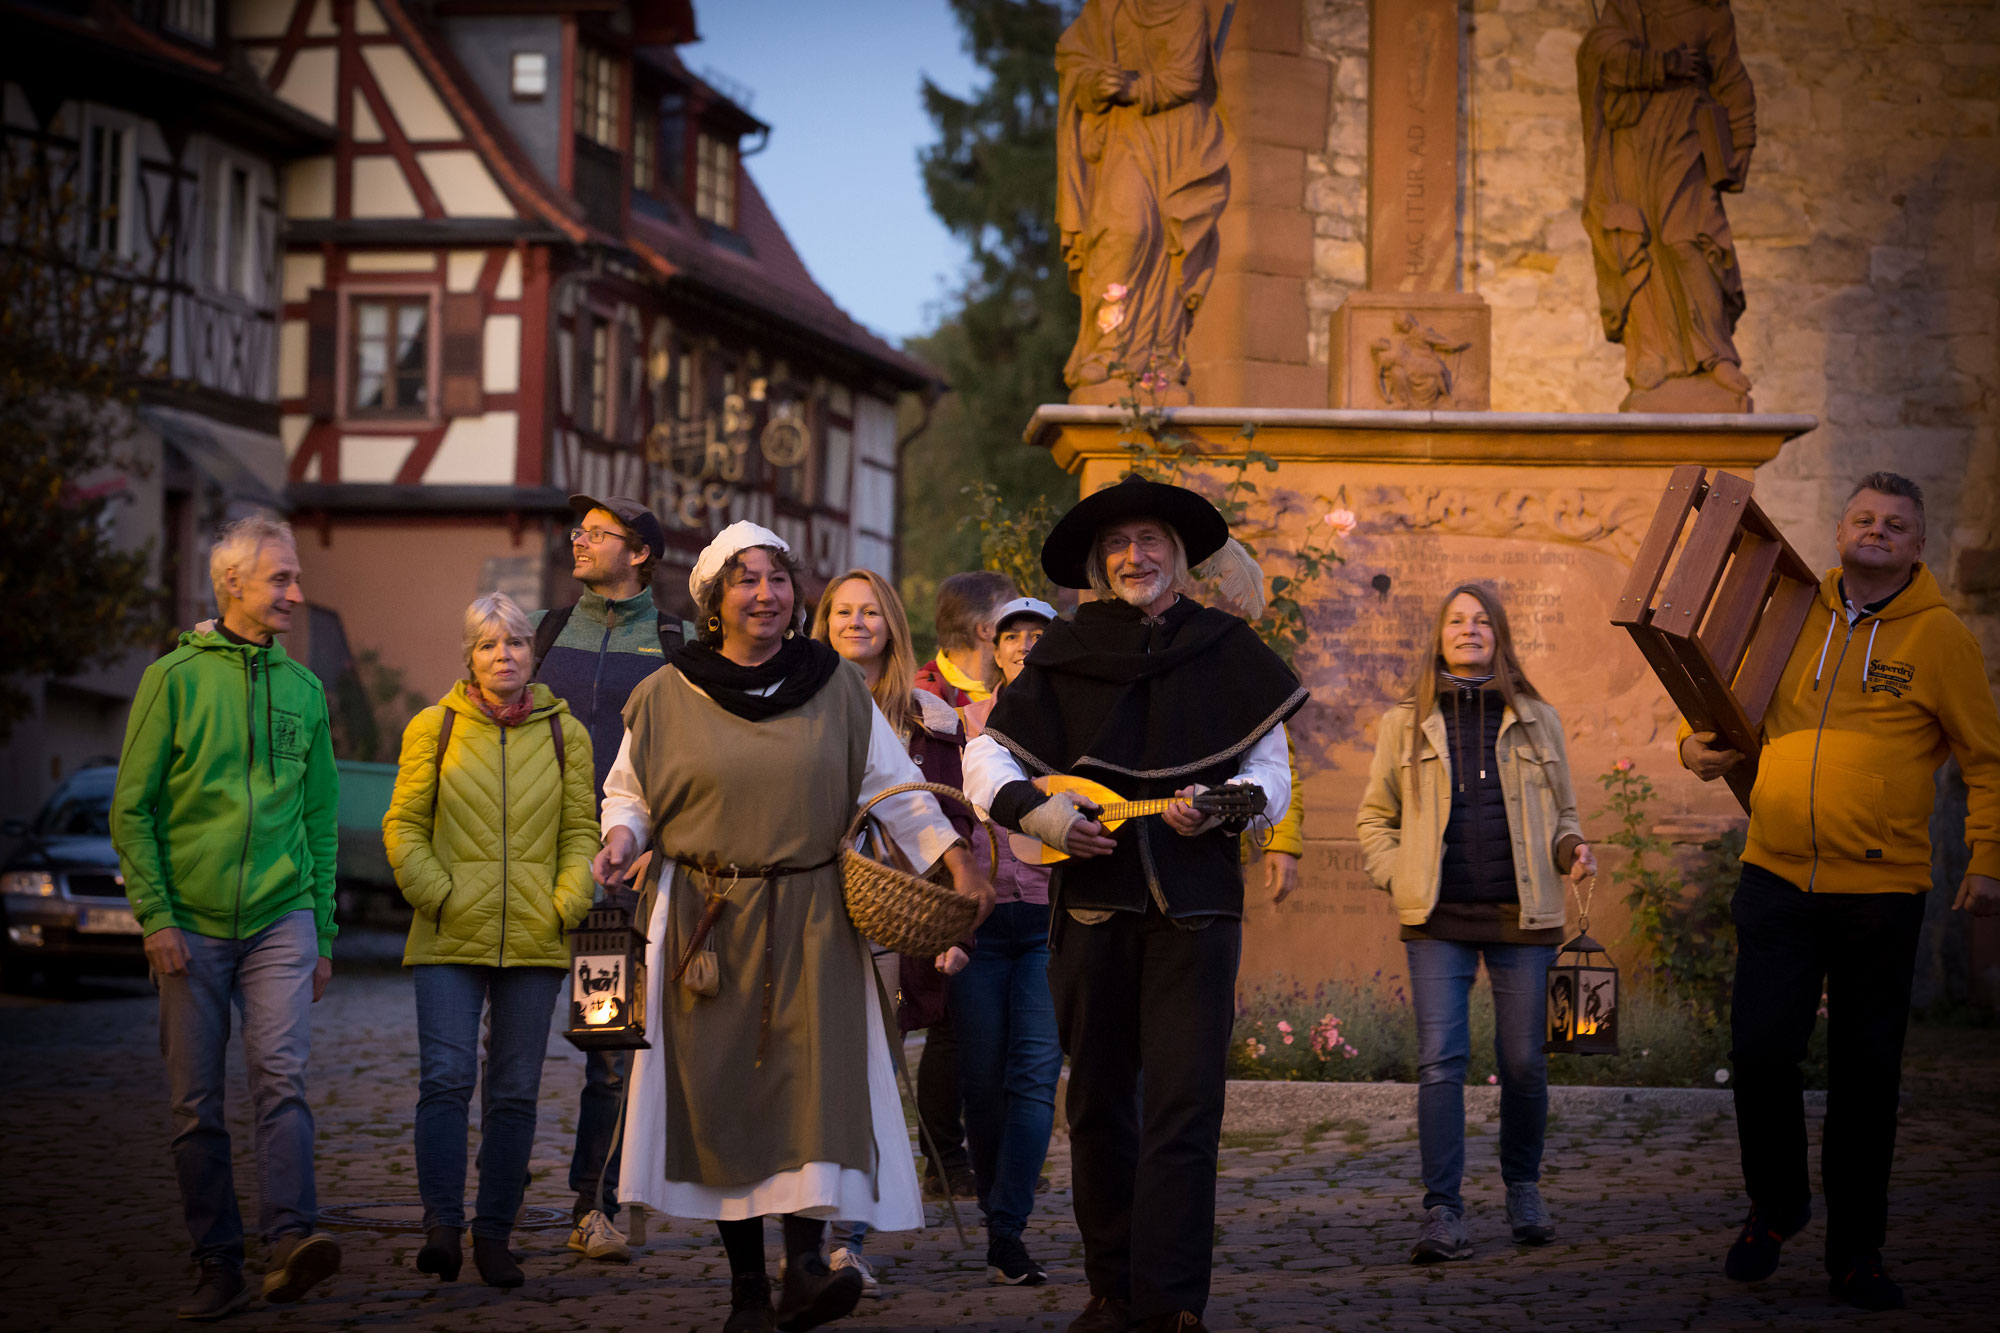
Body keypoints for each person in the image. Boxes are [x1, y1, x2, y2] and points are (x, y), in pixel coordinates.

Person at [598, 523, 995, 1333]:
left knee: (814, 1090)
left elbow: (895, 786)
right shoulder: (667, 693)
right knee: (725, 1099)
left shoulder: (835, 685)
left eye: (777, 577)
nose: (766, 593)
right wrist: (622, 838)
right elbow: (629, 794)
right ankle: (749, 1290)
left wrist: (958, 861)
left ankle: (806, 1266)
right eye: (746, 579)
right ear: (715, 600)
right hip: (706, 924)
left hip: (814, 916)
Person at [964, 476, 1306, 1333]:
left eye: (1150, 539)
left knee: (1186, 1107)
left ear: (1179, 555)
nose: (1133, 556)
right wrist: (1041, 813)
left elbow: (1270, 773)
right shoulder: (1065, 647)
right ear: (1098, 562)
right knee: (1098, 1105)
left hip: (1198, 910)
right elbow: (985, 762)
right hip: (1092, 909)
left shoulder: (1227, 646)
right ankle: (1112, 1290)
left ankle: (1171, 1302)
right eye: (1117, 544)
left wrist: (1224, 805)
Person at [1678, 472, 2000, 1311]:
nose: (1877, 530)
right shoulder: (1790, 612)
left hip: (1881, 890)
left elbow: (1987, 759)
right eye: (1864, 517)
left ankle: (1857, 1253)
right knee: (1760, 1052)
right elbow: (1722, 702)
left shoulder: (1942, 638)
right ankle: (1777, 1203)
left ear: (1918, 545)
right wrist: (1691, 746)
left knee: (1866, 1078)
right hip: (1775, 874)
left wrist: (1988, 858)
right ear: (1839, 531)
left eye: (1895, 523)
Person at [110, 516, 343, 1321]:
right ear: (232, 583)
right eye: (281, 578)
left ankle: (290, 1240)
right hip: (190, 923)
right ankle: (217, 1260)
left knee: (281, 1076)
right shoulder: (172, 679)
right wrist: (156, 916)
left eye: (296, 577)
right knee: (196, 1102)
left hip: (283, 917)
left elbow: (320, 821)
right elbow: (131, 809)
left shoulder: (305, 690)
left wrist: (323, 932)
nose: (296, 593)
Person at [1355, 584, 1597, 1264]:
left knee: (1524, 1061)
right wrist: (1401, 876)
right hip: (1437, 920)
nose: (1470, 630)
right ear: (1439, 637)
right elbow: (1374, 819)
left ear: (1500, 636)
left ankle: (1523, 1188)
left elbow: (1565, 815)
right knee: (1441, 1061)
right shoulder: (1405, 722)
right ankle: (1443, 1210)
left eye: (1483, 620)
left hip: (1526, 915)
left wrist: (1573, 850)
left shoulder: (1538, 718)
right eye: (1457, 621)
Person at [381, 592, 597, 1288]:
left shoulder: (567, 735)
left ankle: (495, 1234)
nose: (503, 655)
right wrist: (441, 896)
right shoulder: (433, 727)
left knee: (514, 1093)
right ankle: (442, 1227)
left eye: (515, 643)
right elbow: (403, 826)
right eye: (488, 645)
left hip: (534, 939)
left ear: (533, 652)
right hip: (448, 935)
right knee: (446, 1080)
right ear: (470, 657)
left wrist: (565, 903)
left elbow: (581, 832)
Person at [809, 567, 983, 1294]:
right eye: (843, 611)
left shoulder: (929, 718)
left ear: (892, 625)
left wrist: (956, 924)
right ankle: (801, 1226)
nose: (856, 622)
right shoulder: (798, 700)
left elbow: (951, 820)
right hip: (807, 909)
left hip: (892, 914)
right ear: (823, 623)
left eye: (870, 611)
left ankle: (844, 1240)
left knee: (872, 1073)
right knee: (811, 1073)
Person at [532, 493, 685, 1265]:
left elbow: (690, 763)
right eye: (579, 530)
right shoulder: (547, 629)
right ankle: (487, 1209)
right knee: (509, 1053)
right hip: (531, 877)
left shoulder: (675, 643)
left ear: (640, 552)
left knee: (608, 1047)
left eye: (597, 533)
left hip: (617, 882)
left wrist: (663, 840)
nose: (579, 541)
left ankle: (594, 1205)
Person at [957, 596, 1066, 1287]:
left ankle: (1008, 1230)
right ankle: (994, 1198)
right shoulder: (964, 723)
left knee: (1033, 1076)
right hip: (980, 922)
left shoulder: (1079, 723)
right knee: (981, 1080)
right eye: (1012, 635)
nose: (1025, 644)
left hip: (1052, 922)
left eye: (1038, 634)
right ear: (993, 649)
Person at [1578, 0, 1758, 411]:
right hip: (1632, 135)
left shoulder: (1710, 10)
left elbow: (1732, 77)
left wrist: (1743, 140)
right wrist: (1658, 65)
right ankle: (1651, 354)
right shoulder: (1629, 5)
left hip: (1686, 129)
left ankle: (1717, 354)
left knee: (1685, 236)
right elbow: (1601, 52)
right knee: (1636, 240)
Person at [1055, 0, 1232, 397]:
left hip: (1179, 140)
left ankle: (1158, 358)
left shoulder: (1188, 8)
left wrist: (1132, 88)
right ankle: (1108, 348)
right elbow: (1074, 59)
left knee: (1170, 249)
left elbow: (1186, 78)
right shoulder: (1107, 7)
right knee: (1124, 230)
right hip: (1124, 132)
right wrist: (1094, 86)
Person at [910, 569, 1018, 1197]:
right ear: (984, 630)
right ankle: (943, 1160)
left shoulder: (1016, 686)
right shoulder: (926, 696)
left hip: (1016, 879)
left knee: (993, 1030)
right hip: (951, 874)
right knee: (950, 1025)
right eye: (1009, 620)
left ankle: (989, 1155)